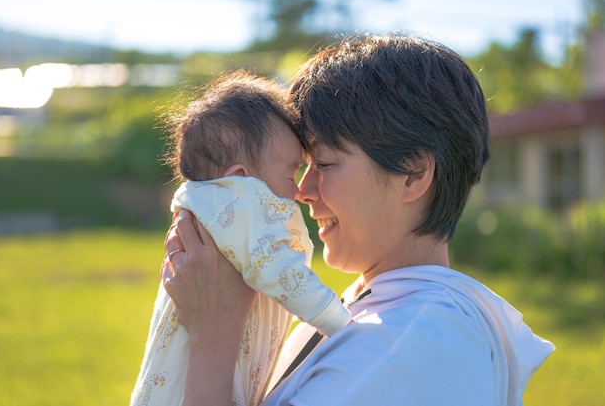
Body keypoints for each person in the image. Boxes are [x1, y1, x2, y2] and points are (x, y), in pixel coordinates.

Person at [162, 33, 555, 406]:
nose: (302, 190)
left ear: (414, 173)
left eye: (325, 164)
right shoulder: (378, 307)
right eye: (303, 165)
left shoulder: (411, 342)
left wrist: (213, 329)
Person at [130, 70, 351, 406]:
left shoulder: (214, 209)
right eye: (290, 172)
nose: (299, 189)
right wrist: (340, 322)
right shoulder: (239, 202)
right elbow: (276, 268)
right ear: (239, 179)